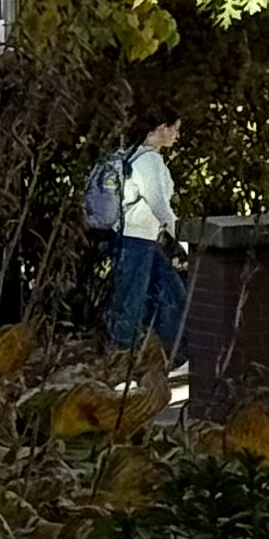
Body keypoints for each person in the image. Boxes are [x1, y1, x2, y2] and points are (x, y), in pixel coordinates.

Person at [99, 107, 190, 357]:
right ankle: (123, 357)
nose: (177, 136)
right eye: (176, 129)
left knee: (168, 294)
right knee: (133, 302)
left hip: (138, 239)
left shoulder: (133, 155)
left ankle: (170, 355)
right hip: (137, 240)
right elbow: (158, 203)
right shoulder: (149, 160)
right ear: (162, 128)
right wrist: (183, 237)